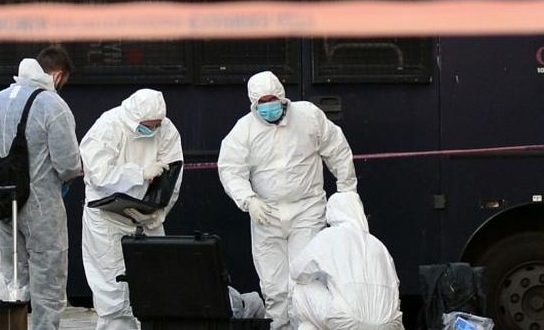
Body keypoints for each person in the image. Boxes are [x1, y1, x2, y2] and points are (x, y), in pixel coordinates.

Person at [217, 71, 357, 330]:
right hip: (265, 213)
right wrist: (249, 200)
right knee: (274, 287)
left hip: (306, 209)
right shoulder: (244, 130)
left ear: (282, 97)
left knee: (305, 282)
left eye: (272, 99)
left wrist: (347, 190)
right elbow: (230, 169)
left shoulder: (308, 116)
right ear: (254, 104)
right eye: (263, 102)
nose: (268, 106)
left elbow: (337, 149)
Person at [0, 46, 81, 330]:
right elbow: (68, 164)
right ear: (58, 75)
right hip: (42, 206)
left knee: (11, 279)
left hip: (4, 204)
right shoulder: (52, 105)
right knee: (48, 283)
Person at [80, 89, 184, 330]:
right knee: (113, 292)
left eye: (158, 124)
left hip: (146, 218)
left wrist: (158, 212)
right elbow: (98, 173)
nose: (155, 129)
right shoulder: (109, 126)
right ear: (135, 120)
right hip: (107, 218)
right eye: (150, 125)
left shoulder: (166, 129)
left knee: (156, 286)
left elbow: (173, 177)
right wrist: (138, 174)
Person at [290, 192, 403, 330]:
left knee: (301, 287)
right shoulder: (380, 246)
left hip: (347, 321)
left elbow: (297, 271)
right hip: (389, 324)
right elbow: (395, 286)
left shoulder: (330, 236)